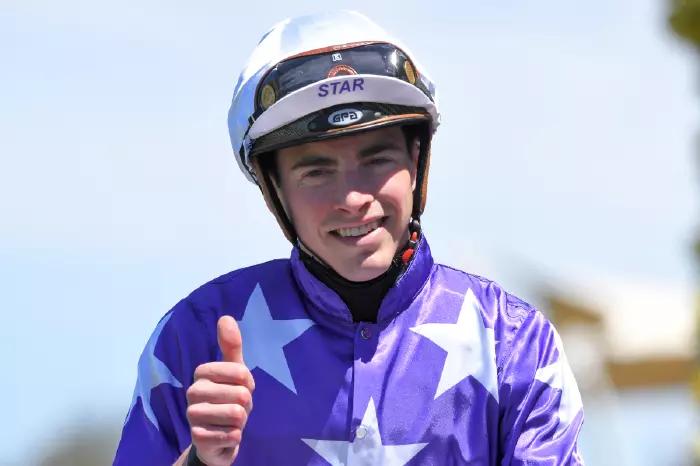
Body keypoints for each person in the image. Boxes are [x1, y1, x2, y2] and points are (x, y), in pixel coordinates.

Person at [113, 10, 585, 466]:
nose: (353, 197)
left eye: (376, 158)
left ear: (417, 162)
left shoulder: (515, 343)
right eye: (317, 171)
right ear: (273, 188)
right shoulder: (194, 338)